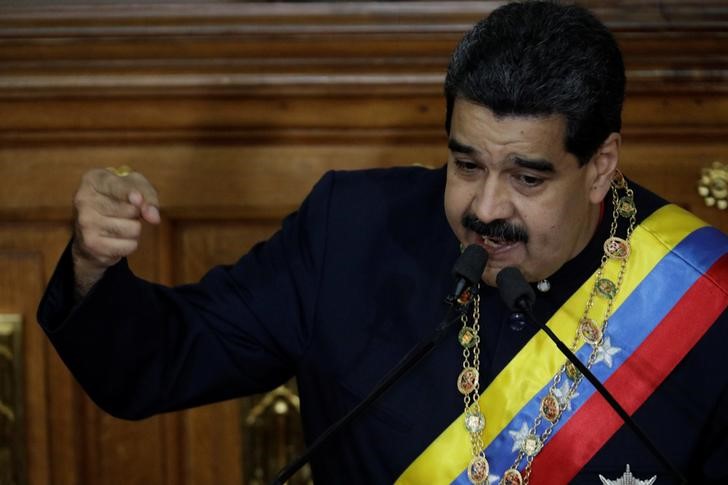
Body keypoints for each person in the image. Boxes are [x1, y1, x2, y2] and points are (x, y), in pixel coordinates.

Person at [37, 1, 728, 484]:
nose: (486, 207)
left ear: (601, 165)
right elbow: (163, 358)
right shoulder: (352, 230)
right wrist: (94, 266)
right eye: (465, 164)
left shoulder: (699, 297)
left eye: (526, 176)